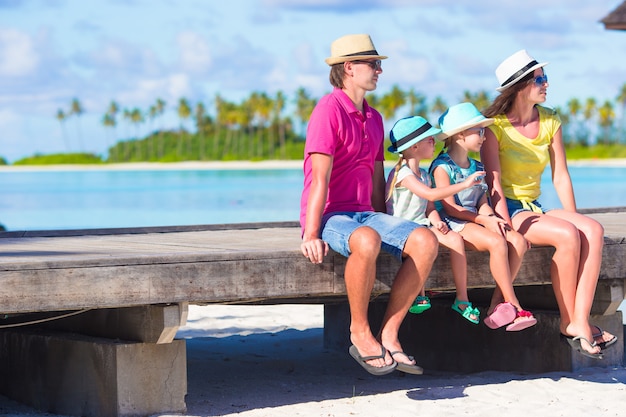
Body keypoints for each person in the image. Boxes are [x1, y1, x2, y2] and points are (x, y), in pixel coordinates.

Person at [299, 34, 438, 376]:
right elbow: (319, 180)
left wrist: (392, 224)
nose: (379, 70)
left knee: (425, 240)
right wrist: (311, 233)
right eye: (373, 64)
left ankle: (389, 334)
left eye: (379, 64)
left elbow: (377, 179)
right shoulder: (327, 112)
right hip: (332, 214)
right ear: (348, 68)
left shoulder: (374, 118)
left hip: (366, 214)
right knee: (366, 239)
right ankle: (359, 331)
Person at [481, 50, 617, 358]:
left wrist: (573, 216)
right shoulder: (495, 127)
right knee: (567, 235)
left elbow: (561, 176)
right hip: (511, 210)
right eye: (539, 79)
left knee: (591, 230)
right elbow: (494, 184)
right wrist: (502, 225)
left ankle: (579, 320)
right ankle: (571, 323)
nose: (546, 84)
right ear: (519, 87)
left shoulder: (550, 119)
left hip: (536, 207)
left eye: (545, 78)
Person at [430, 102, 537, 331]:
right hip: (453, 222)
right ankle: (514, 305)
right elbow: (449, 209)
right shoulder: (442, 167)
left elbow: (481, 200)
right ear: (459, 134)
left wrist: (491, 217)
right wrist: (483, 221)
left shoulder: (476, 165)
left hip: (475, 218)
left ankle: (497, 304)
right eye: (478, 131)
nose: (484, 136)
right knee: (497, 243)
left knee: (516, 240)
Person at [385, 115, 486, 323]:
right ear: (414, 147)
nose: (435, 142)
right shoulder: (404, 174)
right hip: (401, 229)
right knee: (422, 243)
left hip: (422, 225)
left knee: (455, 240)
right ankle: (417, 294)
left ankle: (462, 299)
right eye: (429, 139)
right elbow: (430, 195)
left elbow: (429, 206)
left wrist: (436, 219)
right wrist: (465, 185)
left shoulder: (424, 174)